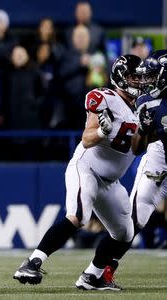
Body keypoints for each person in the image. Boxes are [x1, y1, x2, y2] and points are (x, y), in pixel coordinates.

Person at [13, 54, 145, 290]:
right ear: (120, 77)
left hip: (112, 182)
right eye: (134, 77)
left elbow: (140, 146)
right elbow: (86, 139)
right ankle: (32, 262)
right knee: (79, 216)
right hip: (87, 167)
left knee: (125, 233)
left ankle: (92, 276)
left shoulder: (144, 107)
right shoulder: (104, 98)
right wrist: (103, 133)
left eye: (140, 77)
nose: (138, 82)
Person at [95, 50, 167, 288]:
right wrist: (145, 130)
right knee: (136, 216)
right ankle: (99, 271)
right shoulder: (147, 103)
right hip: (160, 154)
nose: (147, 81)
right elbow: (137, 148)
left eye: (153, 75)